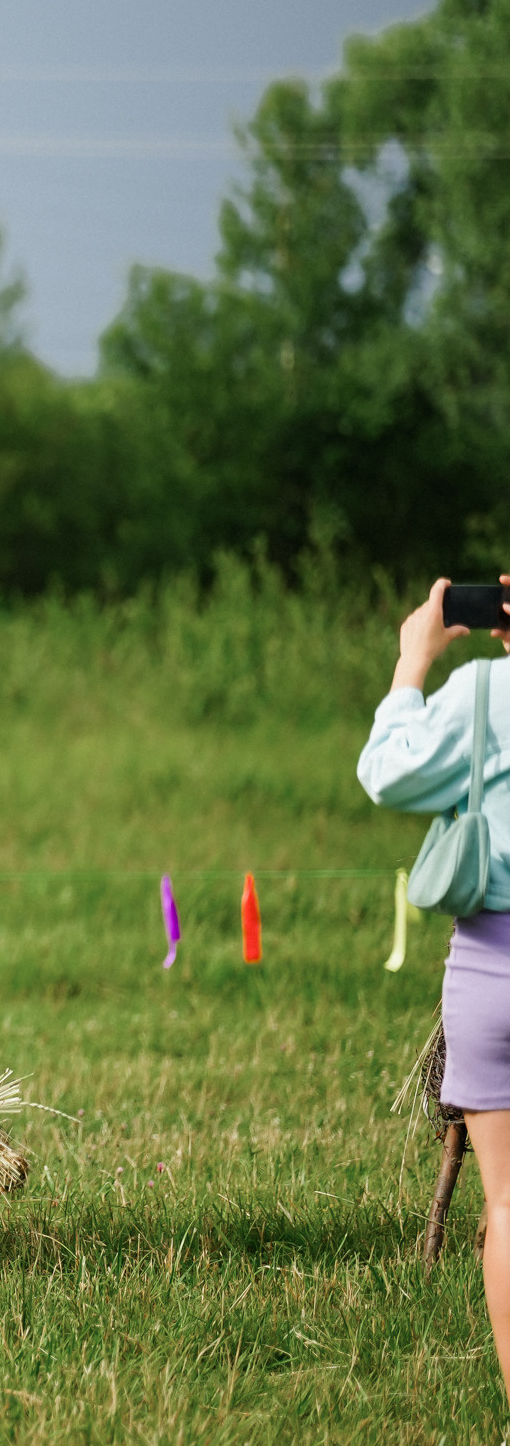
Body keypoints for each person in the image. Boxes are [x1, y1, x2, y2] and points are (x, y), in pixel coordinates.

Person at [360, 574, 510, 1403]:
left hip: (490, 962)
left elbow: (389, 774)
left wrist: (414, 660)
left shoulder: (484, 691)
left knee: (508, 1205)